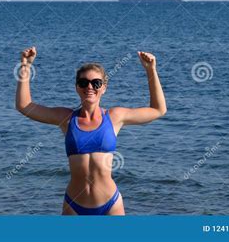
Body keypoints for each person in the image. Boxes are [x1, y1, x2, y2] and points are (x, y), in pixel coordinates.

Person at [15, 46, 167, 215]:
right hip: (74, 206)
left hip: (110, 205)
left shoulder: (115, 116)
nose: (89, 87)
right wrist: (25, 65)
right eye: (83, 82)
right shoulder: (66, 118)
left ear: (104, 87)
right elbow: (24, 106)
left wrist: (151, 70)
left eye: (96, 83)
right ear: (76, 87)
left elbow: (158, 110)